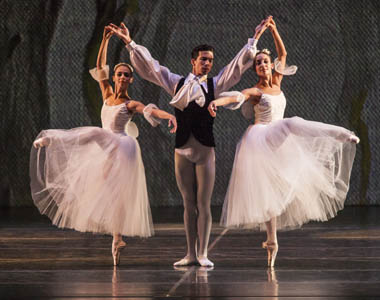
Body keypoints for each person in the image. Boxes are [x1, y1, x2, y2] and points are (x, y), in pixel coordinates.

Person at [107, 18, 271, 267]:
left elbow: (236, 67)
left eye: (210, 60)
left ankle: (203, 253)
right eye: (203, 59)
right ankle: (190, 254)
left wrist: (255, 40)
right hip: (182, 150)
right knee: (188, 204)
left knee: (203, 203)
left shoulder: (216, 84)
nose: (207, 63)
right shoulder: (176, 83)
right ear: (193, 61)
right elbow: (152, 68)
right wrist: (130, 43)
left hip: (205, 150)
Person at [208, 17, 359, 267]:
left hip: (276, 137)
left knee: (279, 182)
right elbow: (238, 95)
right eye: (258, 63)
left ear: (271, 65)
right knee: (292, 124)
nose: (262, 65)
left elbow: (283, 52)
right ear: (256, 68)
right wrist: (216, 102)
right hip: (261, 136)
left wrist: (274, 29)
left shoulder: (277, 81)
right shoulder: (255, 91)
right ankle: (272, 240)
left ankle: (271, 241)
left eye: (265, 62)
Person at [30, 27, 177, 266]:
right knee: (108, 190)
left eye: (125, 75)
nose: (121, 77)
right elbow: (100, 68)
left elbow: (148, 110)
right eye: (119, 74)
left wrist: (169, 116)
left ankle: (52, 139)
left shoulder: (130, 104)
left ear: (130, 79)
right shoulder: (107, 93)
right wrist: (105, 40)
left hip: (120, 146)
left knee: (95, 136)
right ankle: (117, 239)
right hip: (105, 146)